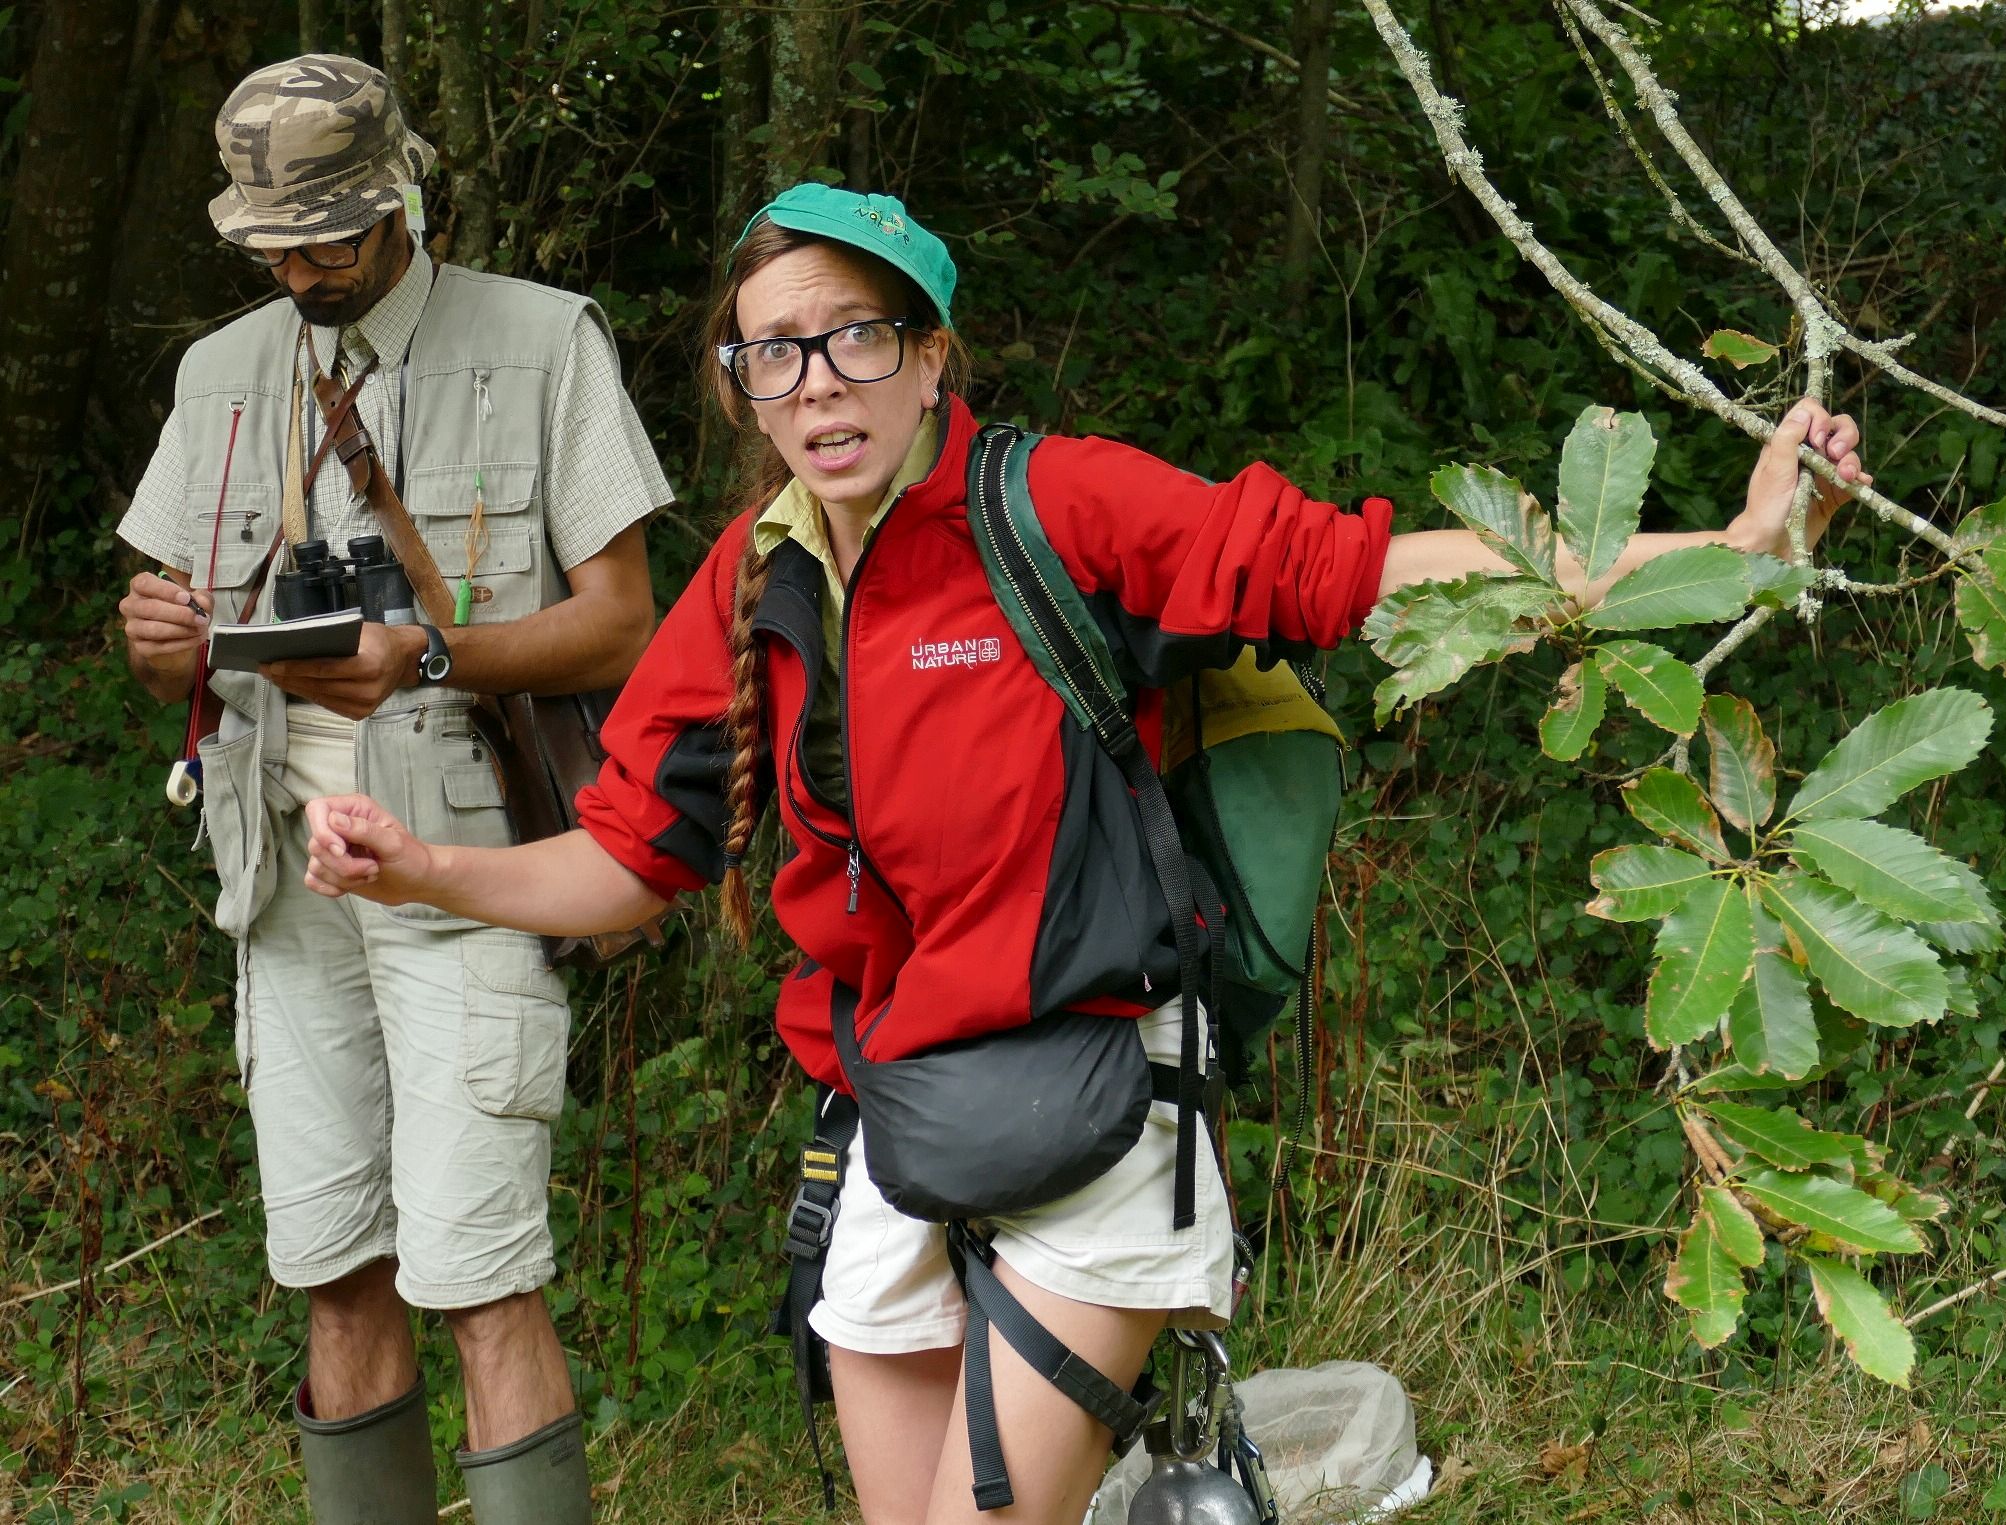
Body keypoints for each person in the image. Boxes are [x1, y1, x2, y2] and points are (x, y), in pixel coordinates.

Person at [294, 184, 1867, 1525]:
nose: (818, 382)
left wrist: (1734, 552)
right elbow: (631, 861)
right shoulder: (752, 581)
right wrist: (422, 869)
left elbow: (1372, 571)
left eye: (855, 337)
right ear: (742, 389)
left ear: (931, 356)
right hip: (899, 1122)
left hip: (1102, 1098)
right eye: (773, 350)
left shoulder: (1055, 507)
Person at [112, 54, 670, 1524]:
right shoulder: (221, 374)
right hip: (282, 884)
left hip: (465, 869)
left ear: (401, 203)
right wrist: (157, 639)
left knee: (482, 1277)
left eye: (327, 241)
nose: (300, 271)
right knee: (333, 1267)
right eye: (273, 247)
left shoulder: (543, 342)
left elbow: (624, 620)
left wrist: (430, 655)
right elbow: (168, 630)